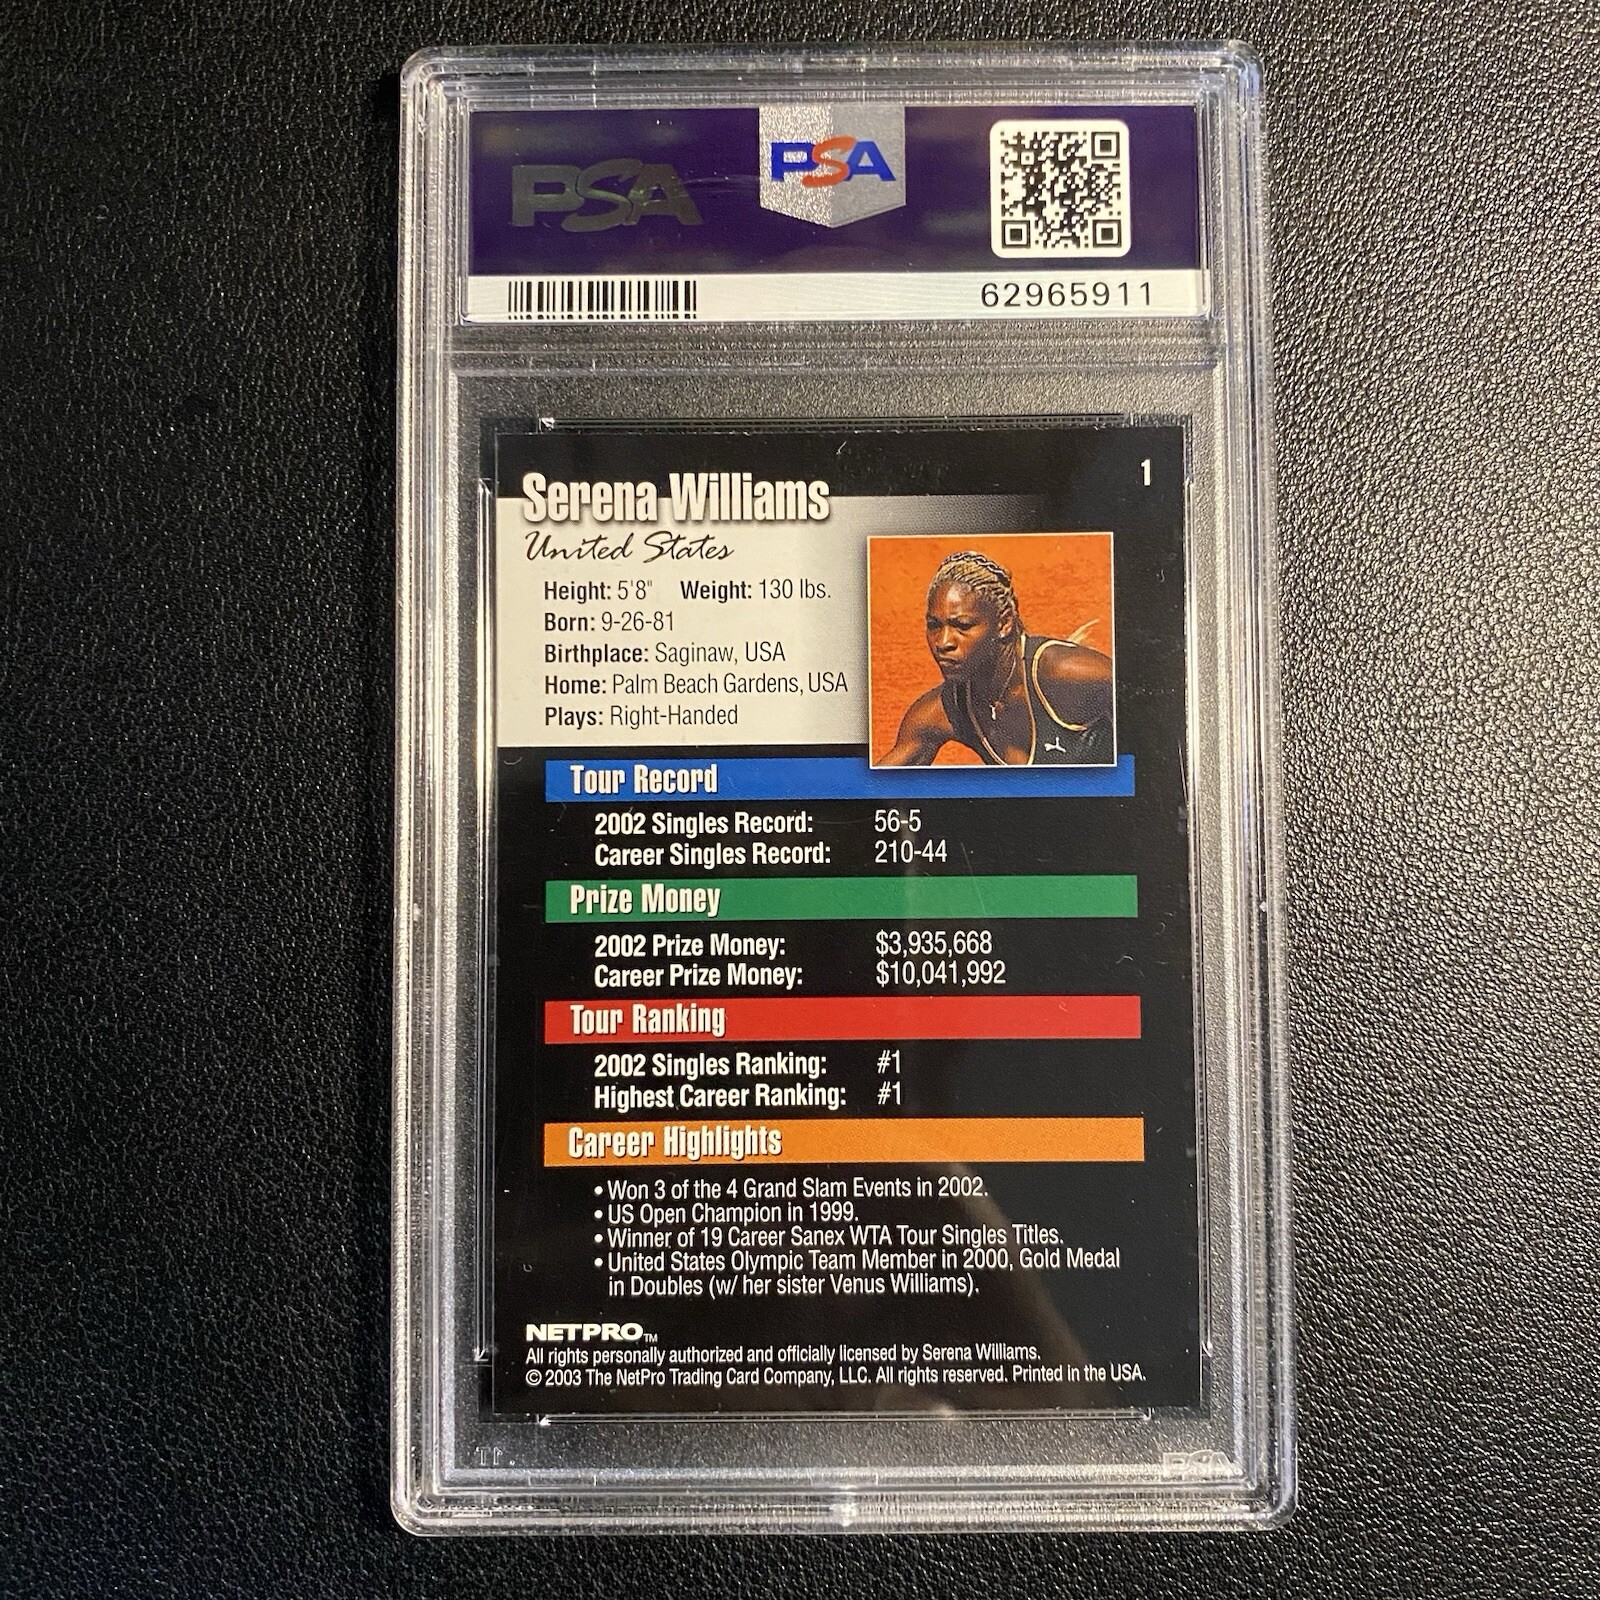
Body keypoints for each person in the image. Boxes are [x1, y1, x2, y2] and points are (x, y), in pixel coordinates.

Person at [877, 550, 1113, 767]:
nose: (943, 642)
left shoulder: (1066, 674)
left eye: (963, 626)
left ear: (1004, 623)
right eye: (934, 625)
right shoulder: (943, 711)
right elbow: (875, 786)